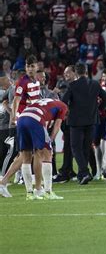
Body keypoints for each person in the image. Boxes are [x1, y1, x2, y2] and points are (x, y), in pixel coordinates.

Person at [0, 98, 68, 199]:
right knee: (45, 154)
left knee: (25, 156)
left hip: (22, 118)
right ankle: (46, 191)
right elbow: (57, 126)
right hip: (35, 119)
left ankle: (27, 191)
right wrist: (50, 143)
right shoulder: (64, 107)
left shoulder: (49, 102)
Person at [62, 62, 106, 185]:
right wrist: (99, 109)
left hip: (76, 121)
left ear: (76, 73)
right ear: (86, 72)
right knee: (86, 148)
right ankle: (82, 175)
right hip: (92, 120)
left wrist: (68, 111)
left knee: (76, 148)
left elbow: (63, 101)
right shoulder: (94, 84)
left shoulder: (72, 85)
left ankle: (84, 172)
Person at [0, 56, 40, 188]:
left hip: (33, 119)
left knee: (27, 154)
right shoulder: (22, 82)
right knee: (31, 153)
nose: (30, 69)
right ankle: (37, 186)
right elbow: (16, 100)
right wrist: (14, 116)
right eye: (28, 66)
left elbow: (36, 102)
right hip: (25, 120)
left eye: (32, 66)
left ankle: (28, 186)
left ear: (37, 67)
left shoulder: (36, 82)